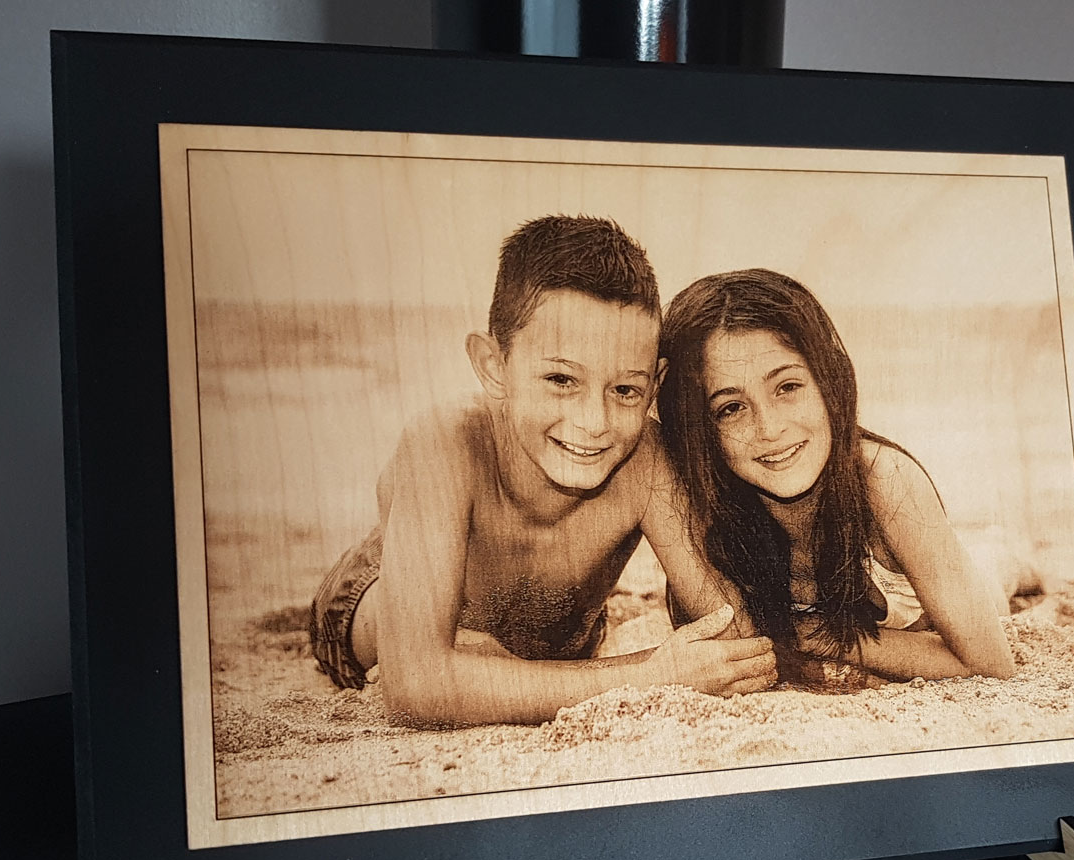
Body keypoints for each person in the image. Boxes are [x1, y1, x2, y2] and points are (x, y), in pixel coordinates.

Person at [310, 216, 775, 725]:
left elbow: (734, 635)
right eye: (560, 378)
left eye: (625, 390)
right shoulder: (445, 444)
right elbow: (415, 687)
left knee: (489, 659)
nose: (594, 423)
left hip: (553, 639)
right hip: (377, 588)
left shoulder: (645, 460)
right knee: (446, 645)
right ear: (494, 366)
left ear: (654, 381)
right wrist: (652, 673)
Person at [657, 268, 1015, 682]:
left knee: (993, 574)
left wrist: (827, 636)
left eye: (787, 387)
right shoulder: (704, 507)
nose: (769, 429)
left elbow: (990, 664)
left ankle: (1003, 552)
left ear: (829, 380)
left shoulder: (885, 481)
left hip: (931, 600)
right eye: (731, 408)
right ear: (699, 429)